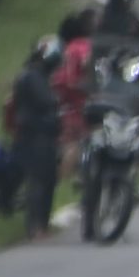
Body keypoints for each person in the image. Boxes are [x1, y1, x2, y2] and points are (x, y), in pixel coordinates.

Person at [10, 37, 64, 240]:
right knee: (39, 181)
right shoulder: (32, 77)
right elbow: (46, 101)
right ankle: (35, 226)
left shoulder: (38, 76)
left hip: (44, 133)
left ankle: (43, 224)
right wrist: (57, 100)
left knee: (48, 179)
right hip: (35, 135)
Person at [54, 11, 96, 177]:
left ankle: (64, 175)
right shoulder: (83, 46)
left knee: (69, 141)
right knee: (75, 144)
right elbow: (86, 63)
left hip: (66, 99)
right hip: (80, 101)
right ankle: (64, 176)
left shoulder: (68, 48)